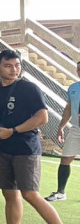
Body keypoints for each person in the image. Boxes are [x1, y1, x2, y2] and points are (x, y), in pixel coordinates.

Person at [0, 50, 76, 224]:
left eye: (17, 65)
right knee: (9, 192)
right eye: (8, 65)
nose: (14, 69)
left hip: (26, 148)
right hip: (4, 148)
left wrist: (13, 131)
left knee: (30, 194)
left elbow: (42, 117)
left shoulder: (28, 88)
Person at [47, 60, 80, 202]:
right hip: (76, 129)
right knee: (65, 158)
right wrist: (61, 127)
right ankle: (61, 192)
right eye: (78, 69)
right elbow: (68, 108)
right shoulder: (73, 88)